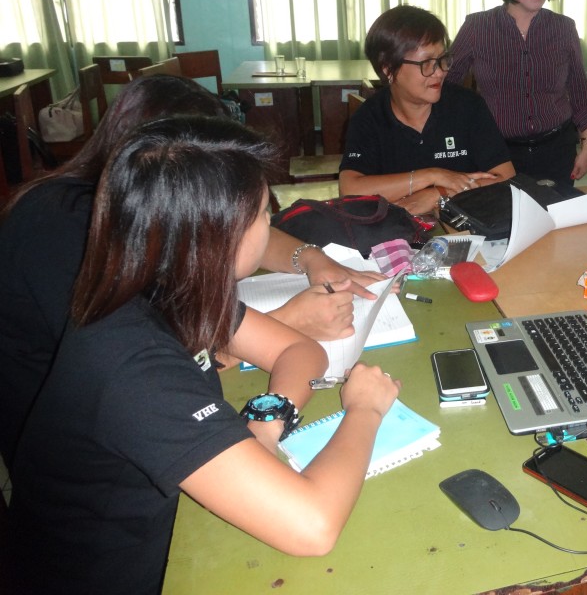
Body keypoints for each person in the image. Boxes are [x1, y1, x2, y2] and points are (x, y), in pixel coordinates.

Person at [8, 117, 400, 594]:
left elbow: (300, 349)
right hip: (125, 572)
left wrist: (266, 422)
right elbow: (312, 525)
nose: (270, 225)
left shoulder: (167, 280)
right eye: (262, 214)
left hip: (170, 522)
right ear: (221, 234)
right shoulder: (127, 362)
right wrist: (364, 409)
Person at [0, 75, 378, 469]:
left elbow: (237, 227)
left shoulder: (135, 216)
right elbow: (138, 362)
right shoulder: (61, 229)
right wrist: (287, 321)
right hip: (83, 454)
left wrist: (311, 257)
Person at [445, 0, 587, 189]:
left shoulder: (563, 28)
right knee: (503, 220)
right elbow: (446, 84)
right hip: (496, 153)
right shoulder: (477, 27)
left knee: (556, 220)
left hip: (556, 149)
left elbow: (580, 92)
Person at [339, 5, 515, 215]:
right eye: (427, 63)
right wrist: (431, 175)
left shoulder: (467, 106)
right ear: (388, 69)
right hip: (399, 237)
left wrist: (438, 194)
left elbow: (505, 177)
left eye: (442, 60)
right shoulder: (369, 117)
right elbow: (350, 190)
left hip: (465, 228)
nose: (440, 72)